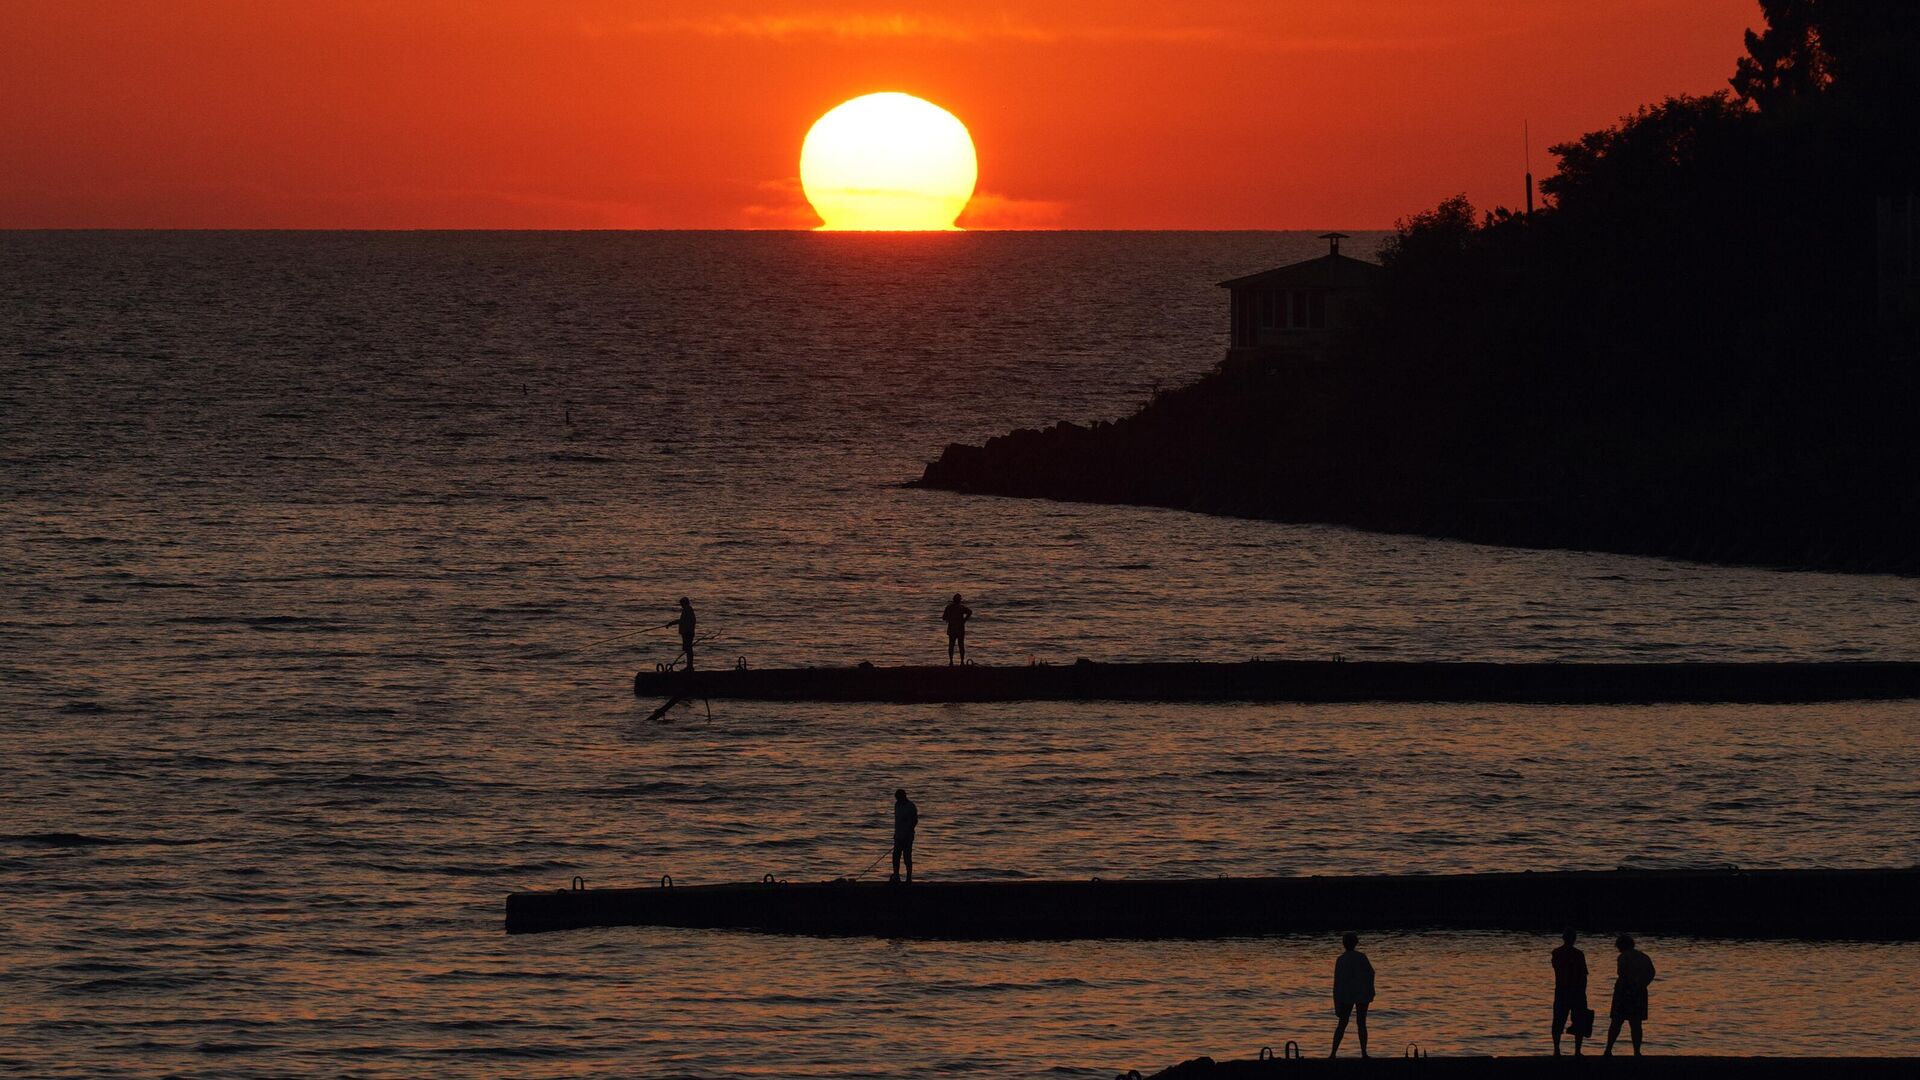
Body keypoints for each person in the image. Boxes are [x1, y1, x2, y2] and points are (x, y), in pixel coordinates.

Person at [1604, 934, 1656, 1057]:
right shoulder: (1644, 957)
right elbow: (1652, 973)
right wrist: (1642, 984)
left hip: (1623, 992)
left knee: (1616, 1022)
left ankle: (1608, 1050)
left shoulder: (1623, 957)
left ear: (1621, 945)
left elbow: (1621, 973)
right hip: (1639, 992)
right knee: (1636, 1024)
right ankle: (1637, 1052)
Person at [1330, 932, 1374, 1058]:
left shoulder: (1341, 959)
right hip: (1361, 994)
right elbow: (1370, 974)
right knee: (1361, 1023)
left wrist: (1337, 1003)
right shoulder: (1361, 957)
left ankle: (1333, 1053)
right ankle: (1364, 1053)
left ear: (1344, 944)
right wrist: (1370, 992)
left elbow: (1337, 983)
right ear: (1356, 943)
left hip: (1347, 995)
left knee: (1342, 1024)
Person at [1551, 930, 1590, 1056]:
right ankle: (1577, 1051)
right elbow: (1584, 975)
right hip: (1577, 991)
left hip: (1562, 991)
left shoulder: (1556, 953)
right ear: (1574, 939)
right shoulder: (1578, 954)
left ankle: (1556, 1050)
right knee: (1579, 1021)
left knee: (1558, 1020)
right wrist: (1583, 991)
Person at [890, 788, 919, 884]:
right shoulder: (897, 805)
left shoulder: (911, 806)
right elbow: (897, 822)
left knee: (907, 858)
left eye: (899, 798)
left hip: (907, 837)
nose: (898, 800)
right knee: (895, 857)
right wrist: (896, 834)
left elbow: (914, 821)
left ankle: (909, 878)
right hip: (898, 837)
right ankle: (896, 876)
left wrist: (907, 833)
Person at [942, 594, 973, 665]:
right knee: (961, 645)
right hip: (960, 628)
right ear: (959, 600)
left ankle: (951, 661)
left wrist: (949, 618)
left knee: (951, 645)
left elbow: (944, 617)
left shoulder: (949, 607)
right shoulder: (961, 607)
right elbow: (970, 612)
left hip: (952, 628)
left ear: (953, 599)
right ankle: (962, 661)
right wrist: (964, 620)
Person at [675, 597, 697, 671]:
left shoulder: (687, 610)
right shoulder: (688, 609)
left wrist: (672, 623)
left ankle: (689, 667)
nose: (681, 605)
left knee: (688, 650)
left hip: (687, 633)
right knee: (688, 650)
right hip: (688, 632)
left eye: (681, 603)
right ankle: (689, 666)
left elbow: (683, 621)